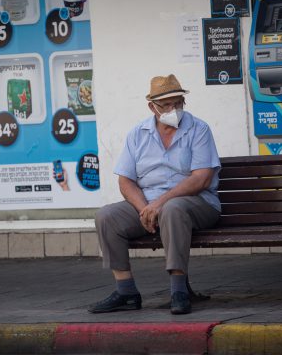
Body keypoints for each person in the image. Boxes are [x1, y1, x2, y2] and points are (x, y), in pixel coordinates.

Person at [88, 74, 221, 315]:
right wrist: (145, 209)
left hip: (197, 203)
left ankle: (179, 291)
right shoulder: (137, 134)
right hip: (149, 203)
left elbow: (201, 178)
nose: (173, 110)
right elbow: (125, 180)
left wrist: (159, 203)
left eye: (178, 103)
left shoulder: (199, 129)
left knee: (172, 208)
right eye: (166, 105)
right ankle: (126, 291)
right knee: (106, 216)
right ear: (152, 107)